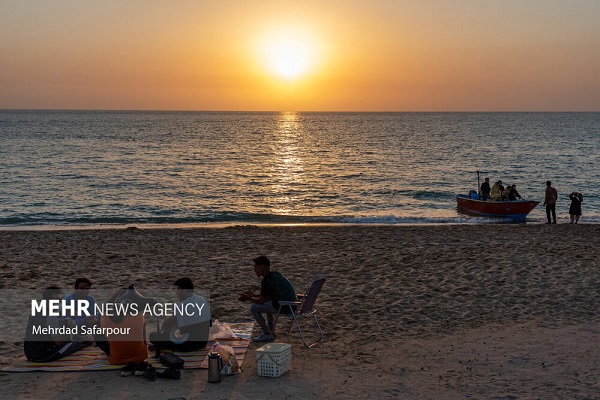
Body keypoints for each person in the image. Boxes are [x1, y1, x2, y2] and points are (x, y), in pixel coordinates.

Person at [238, 256, 297, 342]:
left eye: (256, 267)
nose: (254, 270)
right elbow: (266, 296)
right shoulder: (275, 275)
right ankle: (271, 332)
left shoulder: (267, 281)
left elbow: (261, 301)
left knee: (254, 308)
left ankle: (266, 333)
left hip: (285, 306)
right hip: (292, 305)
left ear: (262, 268)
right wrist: (254, 295)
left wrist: (249, 298)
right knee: (268, 303)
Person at [23, 286, 89, 362]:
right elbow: (59, 342)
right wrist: (69, 328)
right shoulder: (51, 317)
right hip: (44, 355)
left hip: (29, 354)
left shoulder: (36, 311)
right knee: (76, 342)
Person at [149, 277, 211, 356]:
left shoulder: (183, 305)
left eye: (178, 289)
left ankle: (162, 345)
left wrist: (165, 323)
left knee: (153, 336)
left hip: (189, 346)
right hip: (203, 343)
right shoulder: (202, 300)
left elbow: (168, 322)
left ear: (184, 291)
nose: (176, 293)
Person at [96, 288, 149, 376]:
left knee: (98, 337)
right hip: (140, 357)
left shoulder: (106, 323)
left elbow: (105, 308)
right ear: (125, 313)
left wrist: (115, 294)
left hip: (117, 359)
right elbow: (140, 305)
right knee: (143, 325)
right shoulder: (136, 319)